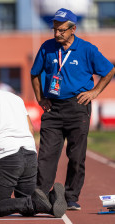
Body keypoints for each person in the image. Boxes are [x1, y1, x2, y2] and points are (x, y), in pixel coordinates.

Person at [31, 8, 115, 211]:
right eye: (55, 29)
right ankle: (40, 195)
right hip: (53, 108)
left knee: (76, 156)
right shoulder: (46, 47)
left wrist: (95, 92)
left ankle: (70, 197)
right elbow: (35, 74)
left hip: (78, 107)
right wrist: (40, 98)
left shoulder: (87, 49)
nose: (56, 33)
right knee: (46, 155)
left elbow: (109, 70)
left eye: (61, 30)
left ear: (73, 29)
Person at [0, 71, 67, 218]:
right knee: (28, 204)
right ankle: (51, 202)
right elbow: (30, 129)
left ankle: (36, 204)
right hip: (30, 154)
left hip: (7, 157)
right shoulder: (15, 98)